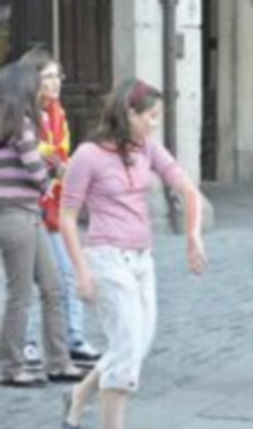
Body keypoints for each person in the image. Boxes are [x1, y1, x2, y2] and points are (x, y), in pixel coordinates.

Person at [60, 79, 207, 429]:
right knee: (126, 351)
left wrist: (193, 234)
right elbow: (66, 217)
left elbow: (188, 190)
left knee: (136, 344)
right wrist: (81, 272)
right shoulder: (88, 155)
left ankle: (80, 394)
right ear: (129, 114)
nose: (155, 124)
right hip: (107, 258)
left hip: (143, 260)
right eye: (151, 116)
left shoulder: (148, 149)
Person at [0, 63, 86, 387]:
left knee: (52, 287)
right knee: (20, 294)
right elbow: (36, 174)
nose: (42, 89)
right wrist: (56, 175)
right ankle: (10, 366)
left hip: (26, 214)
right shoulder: (20, 124)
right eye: (36, 84)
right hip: (15, 215)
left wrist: (52, 166)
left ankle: (58, 361)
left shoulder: (15, 124)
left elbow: (36, 160)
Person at [18, 47, 101, 368]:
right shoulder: (18, 113)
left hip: (54, 205)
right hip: (25, 204)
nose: (55, 83)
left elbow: (59, 155)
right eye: (48, 76)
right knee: (23, 279)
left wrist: (61, 167)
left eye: (57, 76)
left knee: (66, 272)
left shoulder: (58, 114)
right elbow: (31, 153)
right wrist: (55, 165)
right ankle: (23, 343)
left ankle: (74, 337)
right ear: (32, 79)